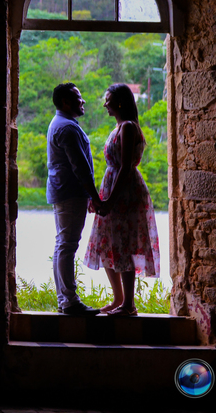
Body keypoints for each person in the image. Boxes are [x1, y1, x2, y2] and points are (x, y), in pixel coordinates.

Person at [84, 83, 162, 316]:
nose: (104, 104)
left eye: (108, 99)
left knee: (124, 244)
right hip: (113, 189)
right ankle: (118, 298)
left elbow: (125, 167)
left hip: (125, 193)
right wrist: (100, 197)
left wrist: (111, 200)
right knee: (107, 242)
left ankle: (129, 305)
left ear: (119, 102)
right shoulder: (118, 127)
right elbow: (114, 167)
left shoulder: (128, 127)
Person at [46, 82, 107, 316]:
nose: (83, 101)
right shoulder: (67, 128)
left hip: (64, 192)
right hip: (70, 193)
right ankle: (70, 301)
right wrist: (95, 196)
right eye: (78, 97)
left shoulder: (60, 123)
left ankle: (65, 299)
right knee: (67, 245)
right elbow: (80, 167)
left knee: (63, 244)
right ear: (65, 102)